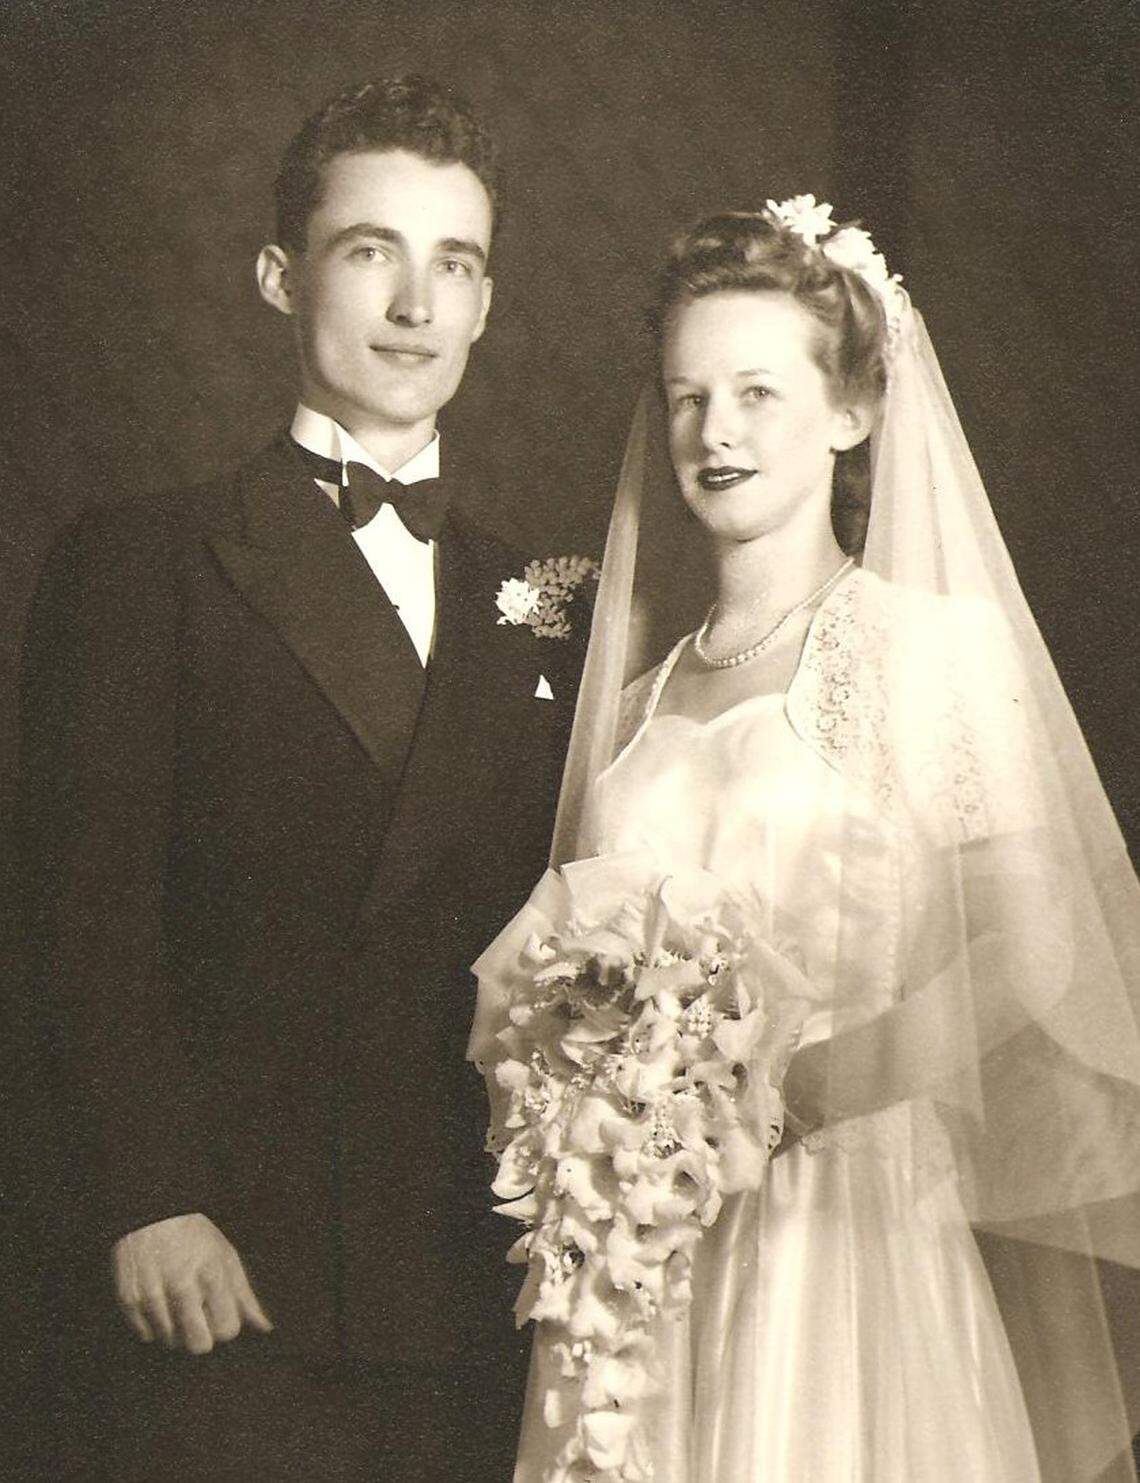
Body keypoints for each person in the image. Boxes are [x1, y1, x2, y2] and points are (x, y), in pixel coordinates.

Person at [472, 201, 1140, 1480]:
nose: (715, 432)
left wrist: (788, 1096)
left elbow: (1038, 951)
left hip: (844, 1241)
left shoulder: (927, 653)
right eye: (687, 395)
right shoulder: (639, 699)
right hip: (640, 1260)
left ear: (850, 414)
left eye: (759, 393)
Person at [15, 75, 589, 1480]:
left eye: (453, 263)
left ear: (488, 302)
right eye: (369, 251)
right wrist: (147, 1194)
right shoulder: (140, 559)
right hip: (227, 1268)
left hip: (477, 1275)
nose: (415, 304)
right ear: (281, 277)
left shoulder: (552, 597)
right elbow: (72, 915)